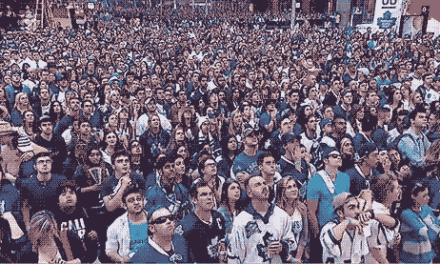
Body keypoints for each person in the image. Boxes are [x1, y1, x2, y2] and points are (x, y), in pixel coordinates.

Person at [307, 147, 350, 263]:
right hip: (324, 229)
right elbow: (311, 211)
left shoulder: (345, 178)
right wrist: (317, 236)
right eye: (334, 156)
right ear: (325, 160)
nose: (339, 158)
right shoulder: (315, 180)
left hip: (342, 228)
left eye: (339, 156)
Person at [180, 180, 227, 263]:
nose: (209, 197)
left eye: (210, 194)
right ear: (194, 200)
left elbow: (223, 245)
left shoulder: (218, 217)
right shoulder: (186, 226)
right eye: (203, 194)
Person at [53, 180, 99, 263]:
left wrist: (95, 234)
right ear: (58, 200)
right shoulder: (54, 219)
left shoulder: (85, 213)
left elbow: (93, 246)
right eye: (64, 194)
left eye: (72, 193)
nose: (68, 196)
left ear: (76, 197)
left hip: (88, 259)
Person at [20, 152, 67, 231]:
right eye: (41, 162)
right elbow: (25, 206)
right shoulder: (26, 184)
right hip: (38, 223)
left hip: (58, 222)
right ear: (35, 166)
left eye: (48, 161)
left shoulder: (61, 181)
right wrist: (27, 226)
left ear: (51, 164)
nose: (45, 164)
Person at [320, 192, 370, 264]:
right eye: (351, 207)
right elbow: (331, 239)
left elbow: (361, 258)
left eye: (357, 207)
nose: (357, 211)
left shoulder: (359, 228)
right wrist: (347, 221)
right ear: (340, 213)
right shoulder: (329, 227)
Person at [399, 182, 440, 263]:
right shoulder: (406, 214)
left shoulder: (426, 209)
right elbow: (430, 235)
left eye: (428, 194)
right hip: (409, 261)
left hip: (427, 259)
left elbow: (436, 229)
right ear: (413, 196)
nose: (428, 198)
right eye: (424, 196)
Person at [106, 185, 148, 262]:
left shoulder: (153, 219)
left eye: (138, 199)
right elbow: (110, 251)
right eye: (131, 200)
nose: (136, 202)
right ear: (125, 205)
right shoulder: (116, 226)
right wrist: (122, 260)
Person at [144, 155, 190, 219]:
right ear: (160, 171)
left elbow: (188, 212)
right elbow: (147, 215)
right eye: (167, 167)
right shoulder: (152, 193)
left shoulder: (182, 190)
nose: (171, 169)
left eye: (173, 166)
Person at [276, 176, 309, 263]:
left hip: (297, 254)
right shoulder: (275, 210)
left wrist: (297, 258)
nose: (294, 189)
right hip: (279, 256)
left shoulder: (302, 208)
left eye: (295, 186)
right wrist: (289, 259)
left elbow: (304, 236)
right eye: (289, 187)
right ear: (282, 191)